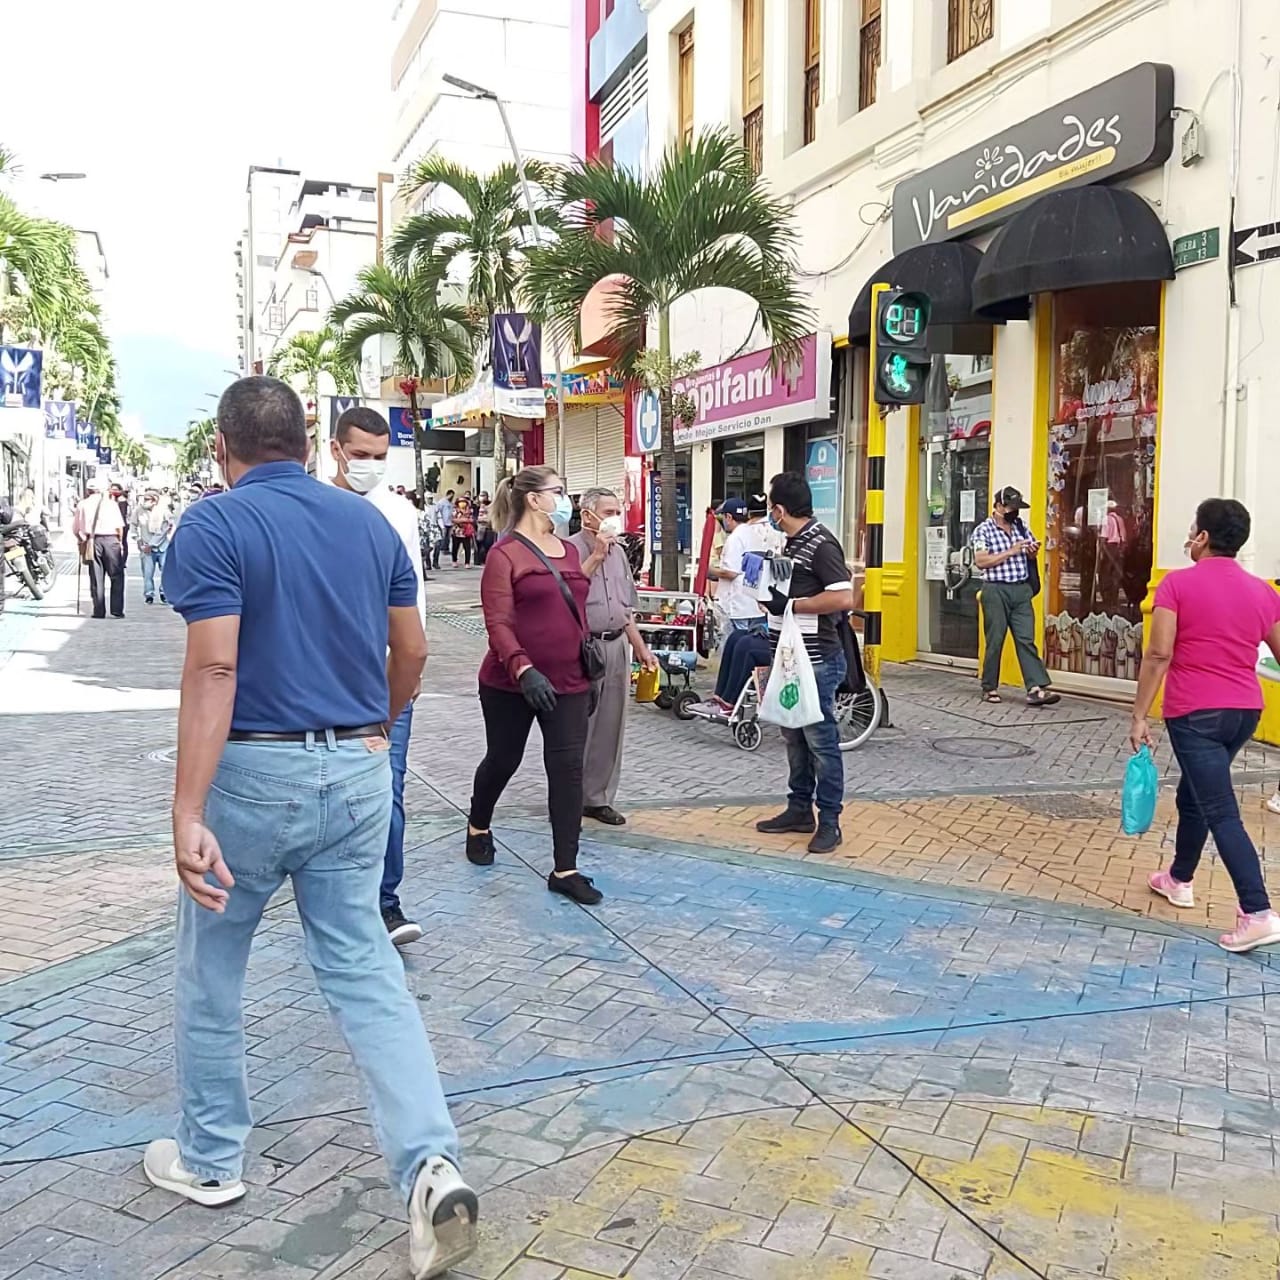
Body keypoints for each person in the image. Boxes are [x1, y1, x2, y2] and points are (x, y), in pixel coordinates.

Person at [151, 377, 476, 1278]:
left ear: (224, 447)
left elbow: (214, 671)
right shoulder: (369, 526)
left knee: (213, 965)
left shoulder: (213, 526)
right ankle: (430, 1163)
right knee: (367, 973)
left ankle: (212, 1158)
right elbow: (411, 648)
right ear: (309, 445)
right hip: (357, 773)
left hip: (254, 776)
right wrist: (379, 722)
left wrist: (186, 809)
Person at [1131, 498, 1280, 953]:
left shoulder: (1177, 585)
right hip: (1243, 712)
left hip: (1194, 712)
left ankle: (1257, 912)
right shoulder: (1263, 591)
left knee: (1220, 809)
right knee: (1193, 793)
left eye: (1193, 529)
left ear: (1202, 537)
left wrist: (1138, 714)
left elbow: (1159, 654)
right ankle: (1178, 879)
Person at [466, 465, 602, 905]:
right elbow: (498, 622)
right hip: (512, 683)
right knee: (504, 759)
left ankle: (566, 868)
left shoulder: (566, 550)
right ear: (533, 499)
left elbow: (574, 611)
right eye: (558, 492)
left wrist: (587, 666)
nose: (565, 500)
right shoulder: (505, 554)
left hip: (568, 680)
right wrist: (524, 669)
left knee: (567, 771)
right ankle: (478, 823)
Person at [331, 405, 428, 947]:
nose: (369, 466)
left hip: (386, 674)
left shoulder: (399, 513)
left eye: (380, 457)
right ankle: (336, 897)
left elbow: (413, 595)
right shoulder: (310, 507)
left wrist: (409, 671)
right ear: (336, 451)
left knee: (388, 788)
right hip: (326, 678)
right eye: (361, 455)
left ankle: (385, 904)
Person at [754, 472, 855, 854]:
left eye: (770, 507)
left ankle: (829, 819)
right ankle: (799, 808)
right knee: (793, 734)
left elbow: (843, 598)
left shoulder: (822, 544)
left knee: (821, 742)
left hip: (817, 660)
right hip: (789, 658)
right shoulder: (793, 543)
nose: (770, 514)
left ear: (779, 509)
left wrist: (792, 605)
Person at [569, 487, 658, 827]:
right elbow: (569, 590)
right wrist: (596, 556)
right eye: (607, 512)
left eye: (617, 511)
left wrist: (640, 647)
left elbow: (625, 608)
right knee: (579, 725)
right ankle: (570, 797)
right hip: (584, 645)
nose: (614, 519)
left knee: (611, 724)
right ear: (587, 515)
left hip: (617, 642)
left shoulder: (620, 553)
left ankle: (598, 798)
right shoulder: (570, 549)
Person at [972, 486, 1060, 708]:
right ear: (999, 506)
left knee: (1025, 638)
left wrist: (1032, 552)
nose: (1015, 512)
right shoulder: (983, 531)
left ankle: (1036, 687)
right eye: (1012, 507)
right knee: (996, 639)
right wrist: (1011, 551)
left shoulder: (1020, 527)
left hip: (1020, 589)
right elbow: (981, 561)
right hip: (995, 589)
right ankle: (989, 686)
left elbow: (1029, 548)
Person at [74, 479, 127, 619]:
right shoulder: (111, 504)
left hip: (93, 540)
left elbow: (76, 529)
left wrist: (81, 540)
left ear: (87, 491)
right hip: (111, 540)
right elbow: (119, 527)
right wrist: (120, 542)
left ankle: (99, 611)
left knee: (96, 577)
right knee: (116, 575)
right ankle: (116, 610)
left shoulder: (82, 504)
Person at [133, 488, 175, 605]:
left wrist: (152, 544)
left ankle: (164, 593)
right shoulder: (139, 511)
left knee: (166, 571)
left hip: (162, 546)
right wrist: (137, 539)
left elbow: (165, 528)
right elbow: (133, 525)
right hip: (146, 546)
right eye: (144, 499)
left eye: (148, 499)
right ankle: (149, 594)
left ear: (154, 500)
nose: (145, 501)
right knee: (147, 573)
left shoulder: (164, 511)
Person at [432, 490, 455, 570]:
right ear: (448, 494)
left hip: (449, 522)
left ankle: (446, 548)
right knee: (443, 537)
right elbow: (438, 512)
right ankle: (443, 548)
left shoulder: (451, 503)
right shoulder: (441, 502)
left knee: (448, 537)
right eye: (451, 495)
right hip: (443, 522)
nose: (452, 497)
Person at [452, 494, 476, 566]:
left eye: (464, 502)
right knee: (455, 547)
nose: (462, 503)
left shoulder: (469, 511)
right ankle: (454, 560)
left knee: (467, 548)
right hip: (456, 532)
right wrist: (463, 520)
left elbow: (472, 520)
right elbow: (453, 520)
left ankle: (467, 562)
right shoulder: (455, 510)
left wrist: (464, 520)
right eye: (460, 502)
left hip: (466, 532)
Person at [474, 491, 493, 566]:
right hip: (479, 526)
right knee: (478, 543)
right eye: (481, 495)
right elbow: (474, 515)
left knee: (488, 543)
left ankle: (486, 559)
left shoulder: (491, 505)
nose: (482, 497)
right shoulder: (475, 506)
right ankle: (478, 559)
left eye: (484, 495)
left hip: (488, 526)